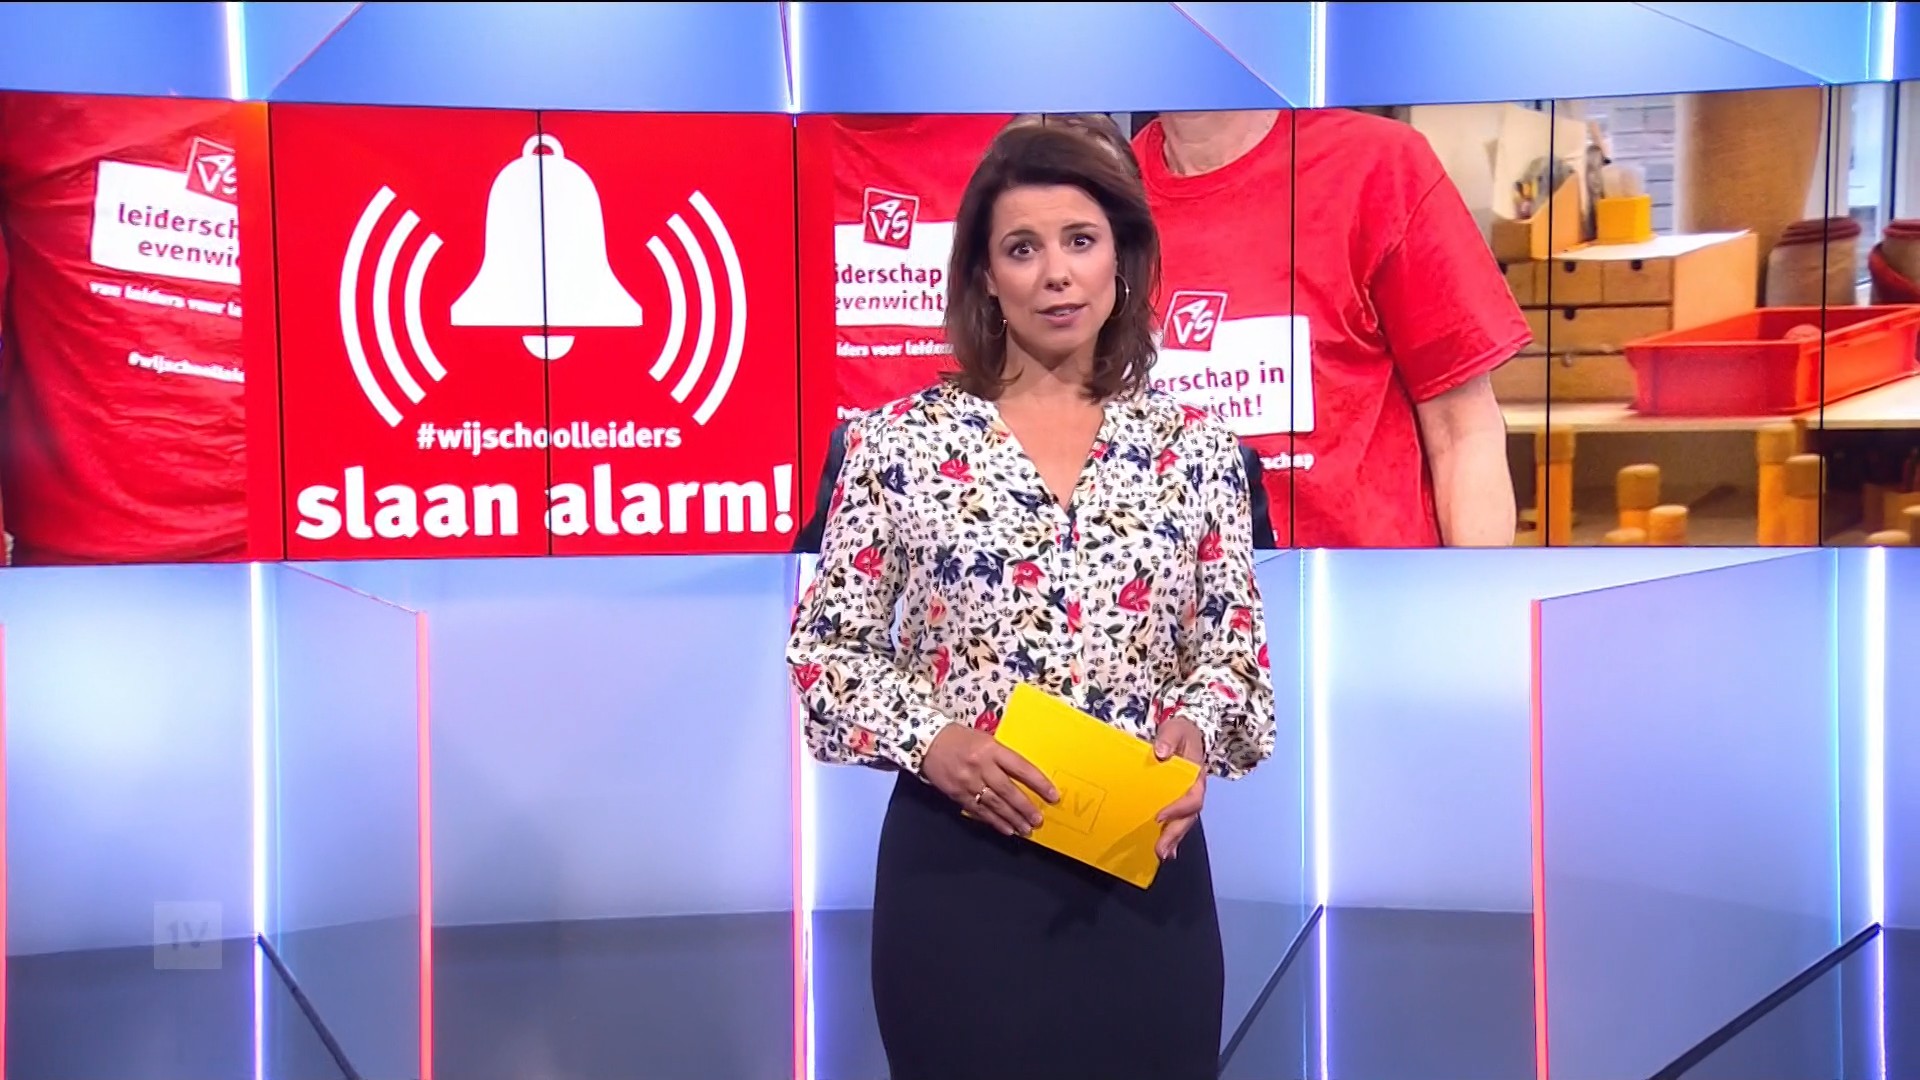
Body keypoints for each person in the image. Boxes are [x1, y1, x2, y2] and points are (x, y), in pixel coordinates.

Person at [786, 123, 1276, 1080]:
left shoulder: (1198, 452)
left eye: (1080, 241)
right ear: (984, 277)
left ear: (1122, 261)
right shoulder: (895, 445)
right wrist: (934, 740)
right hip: (960, 874)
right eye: (1022, 248)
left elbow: (1233, 654)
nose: (1056, 274)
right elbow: (827, 653)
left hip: (1143, 869)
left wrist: (1196, 730)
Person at [1135, 108, 1528, 548]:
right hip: (1173, 587)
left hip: (1367, 585)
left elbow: (1463, 432)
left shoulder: (1376, 167)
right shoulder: (1106, 195)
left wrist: (1472, 589)